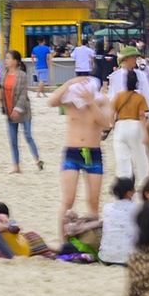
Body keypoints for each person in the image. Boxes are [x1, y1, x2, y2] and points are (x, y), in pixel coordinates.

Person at [49, 71, 112, 231]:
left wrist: (91, 103)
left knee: (93, 201)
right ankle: (63, 241)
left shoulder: (102, 101)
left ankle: (92, 239)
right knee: (68, 200)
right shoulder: (70, 101)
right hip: (72, 151)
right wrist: (69, 83)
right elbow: (52, 101)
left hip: (93, 153)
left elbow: (106, 124)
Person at [0, 51, 40, 173]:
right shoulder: (4, 74)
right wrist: (0, 102)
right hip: (9, 111)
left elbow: (23, 95)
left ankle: (37, 160)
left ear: (15, 61)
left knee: (27, 135)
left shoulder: (22, 75)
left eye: (8, 58)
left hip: (23, 111)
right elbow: (2, 91)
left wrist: (18, 109)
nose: (6, 60)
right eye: (5, 58)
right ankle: (16, 167)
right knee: (13, 140)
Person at [95, 176, 139, 265]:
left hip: (105, 257)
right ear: (129, 193)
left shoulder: (107, 208)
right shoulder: (136, 209)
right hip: (128, 259)